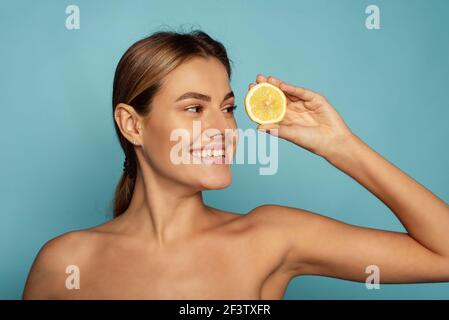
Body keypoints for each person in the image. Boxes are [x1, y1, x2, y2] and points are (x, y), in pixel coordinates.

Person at [22, 30, 449, 299]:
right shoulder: (66, 264)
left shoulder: (271, 237)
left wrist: (340, 145)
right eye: (194, 109)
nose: (222, 129)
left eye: (227, 109)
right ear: (132, 125)